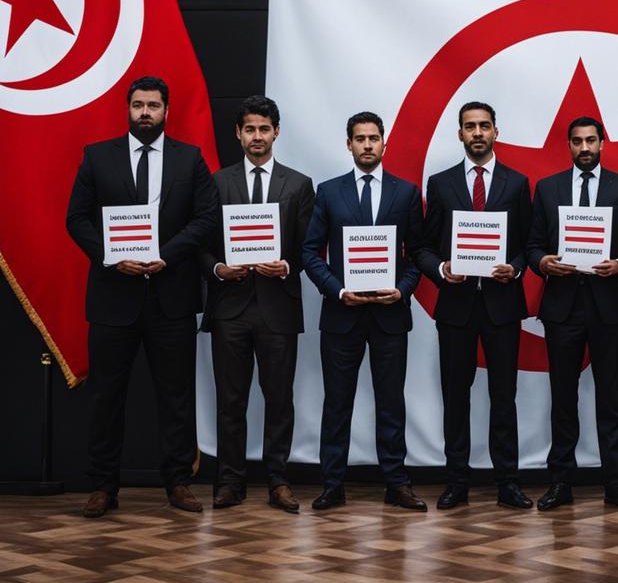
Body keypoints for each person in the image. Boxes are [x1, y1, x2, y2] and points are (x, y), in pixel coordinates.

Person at [66, 75, 219, 518]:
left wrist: (166, 255)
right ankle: (102, 486)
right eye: (138, 105)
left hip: (171, 298)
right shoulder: (98, 157)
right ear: (128, 109)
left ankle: (178, 482)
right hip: (113, 297)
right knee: (106, 397)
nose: (145, 113)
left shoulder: (190, 159)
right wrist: (111, 257)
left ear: (167, 111)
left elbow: (206, 218)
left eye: (153, 105)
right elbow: (76, 219)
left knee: (176, 396)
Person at [526, 116, 618, 511]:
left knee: (611, 398)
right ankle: (560, 482)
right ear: (568, 145)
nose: (585, 148)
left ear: (602, 143)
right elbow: (532, 245)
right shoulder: (548, 188)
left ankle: (615, 483)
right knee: (563, 398)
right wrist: (543, 262)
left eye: (591, 141)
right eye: (577, 141)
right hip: (562, 308)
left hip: (609, 307)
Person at [302, 111, 425, 512]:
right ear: (349, 144)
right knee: (337, 402)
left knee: (391, 402)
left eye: (374, 138)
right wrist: (337, 291)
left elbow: (418, 254)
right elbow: (310, 252)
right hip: (342, 314)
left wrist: (402, 290)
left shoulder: (406, 193)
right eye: (360, 138)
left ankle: (397, 483)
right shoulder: (329, 192)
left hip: (390, 314)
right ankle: (332, 484)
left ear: (384, 143)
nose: (367, 145)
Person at [416, 102, 533, 510]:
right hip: (456, 306)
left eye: (484, 126)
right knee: (455, 397)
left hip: (502, 305)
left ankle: (508, 483)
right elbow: (423, 247)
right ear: (460, 134)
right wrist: (441, 268)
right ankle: (456, 482)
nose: (478, 133)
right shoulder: (440, 183)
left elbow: (528, 245)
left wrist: (515, 268)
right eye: (470, 126)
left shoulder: (517, 183)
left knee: (504, 396)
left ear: (496, 131)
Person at [202, 95, 315, 514]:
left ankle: (278, 481)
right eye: (249, 129)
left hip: (277, 306)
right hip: (229, 307)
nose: (257, 136)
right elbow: (201, 244)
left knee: (279, 399)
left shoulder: (299, 184)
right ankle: (229, 482)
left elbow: (308, 248)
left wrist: (287, 265)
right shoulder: (217, 183)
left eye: (264, 129)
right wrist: (217, 269)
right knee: (230, 400)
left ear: (276, 132)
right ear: (238, 133)